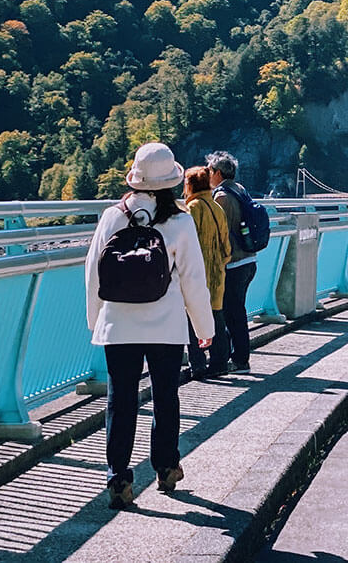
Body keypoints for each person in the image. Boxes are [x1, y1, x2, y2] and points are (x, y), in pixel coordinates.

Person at [85, 142, 214, 509]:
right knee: (165, 397)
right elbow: (193, 280)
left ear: (136, 180)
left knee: (120, 400)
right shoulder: (179, 221)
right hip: (166, 326)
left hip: (119, 325)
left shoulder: (112, 216)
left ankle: (119, 477)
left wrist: (97, 320)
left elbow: (94, 272)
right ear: (171, 182)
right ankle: (166, 467)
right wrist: (204, 327)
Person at [208, 150, 258, 374]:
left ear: (218, 173)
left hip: (234, 263)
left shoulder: (221, 197)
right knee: (236, 310)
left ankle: (240, 360)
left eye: (210, 171)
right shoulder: (240, 190)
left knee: (232, 313)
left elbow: (219, 232)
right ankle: (237, 357)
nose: (209, 175)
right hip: (248, 260)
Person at [183, 165, 230, 380]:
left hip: (197, 274)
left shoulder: (192, 208)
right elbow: (226, 247)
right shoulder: (217, 208)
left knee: (193, 319)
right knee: (216, 318)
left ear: (190, 185)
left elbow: (186, 244)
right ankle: (220, 363)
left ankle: (198, 365)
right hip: (217, 273)